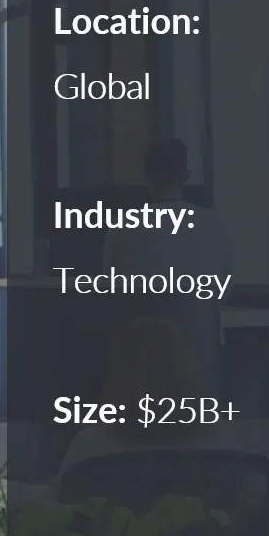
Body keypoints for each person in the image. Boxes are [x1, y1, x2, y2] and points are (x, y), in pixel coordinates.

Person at [102, 139, 231, 396]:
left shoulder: (120, 230)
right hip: (199, 362)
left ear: (146, 176)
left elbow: (109, 293)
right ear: (186, 175)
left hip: (136, 369)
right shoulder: (213, 226)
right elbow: (223, 292)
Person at [59, 316, 240, 477]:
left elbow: (59, 505)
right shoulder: (221, 441)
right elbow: (247, 500)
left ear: (119, 377)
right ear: (187, 373)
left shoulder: (91, 446)